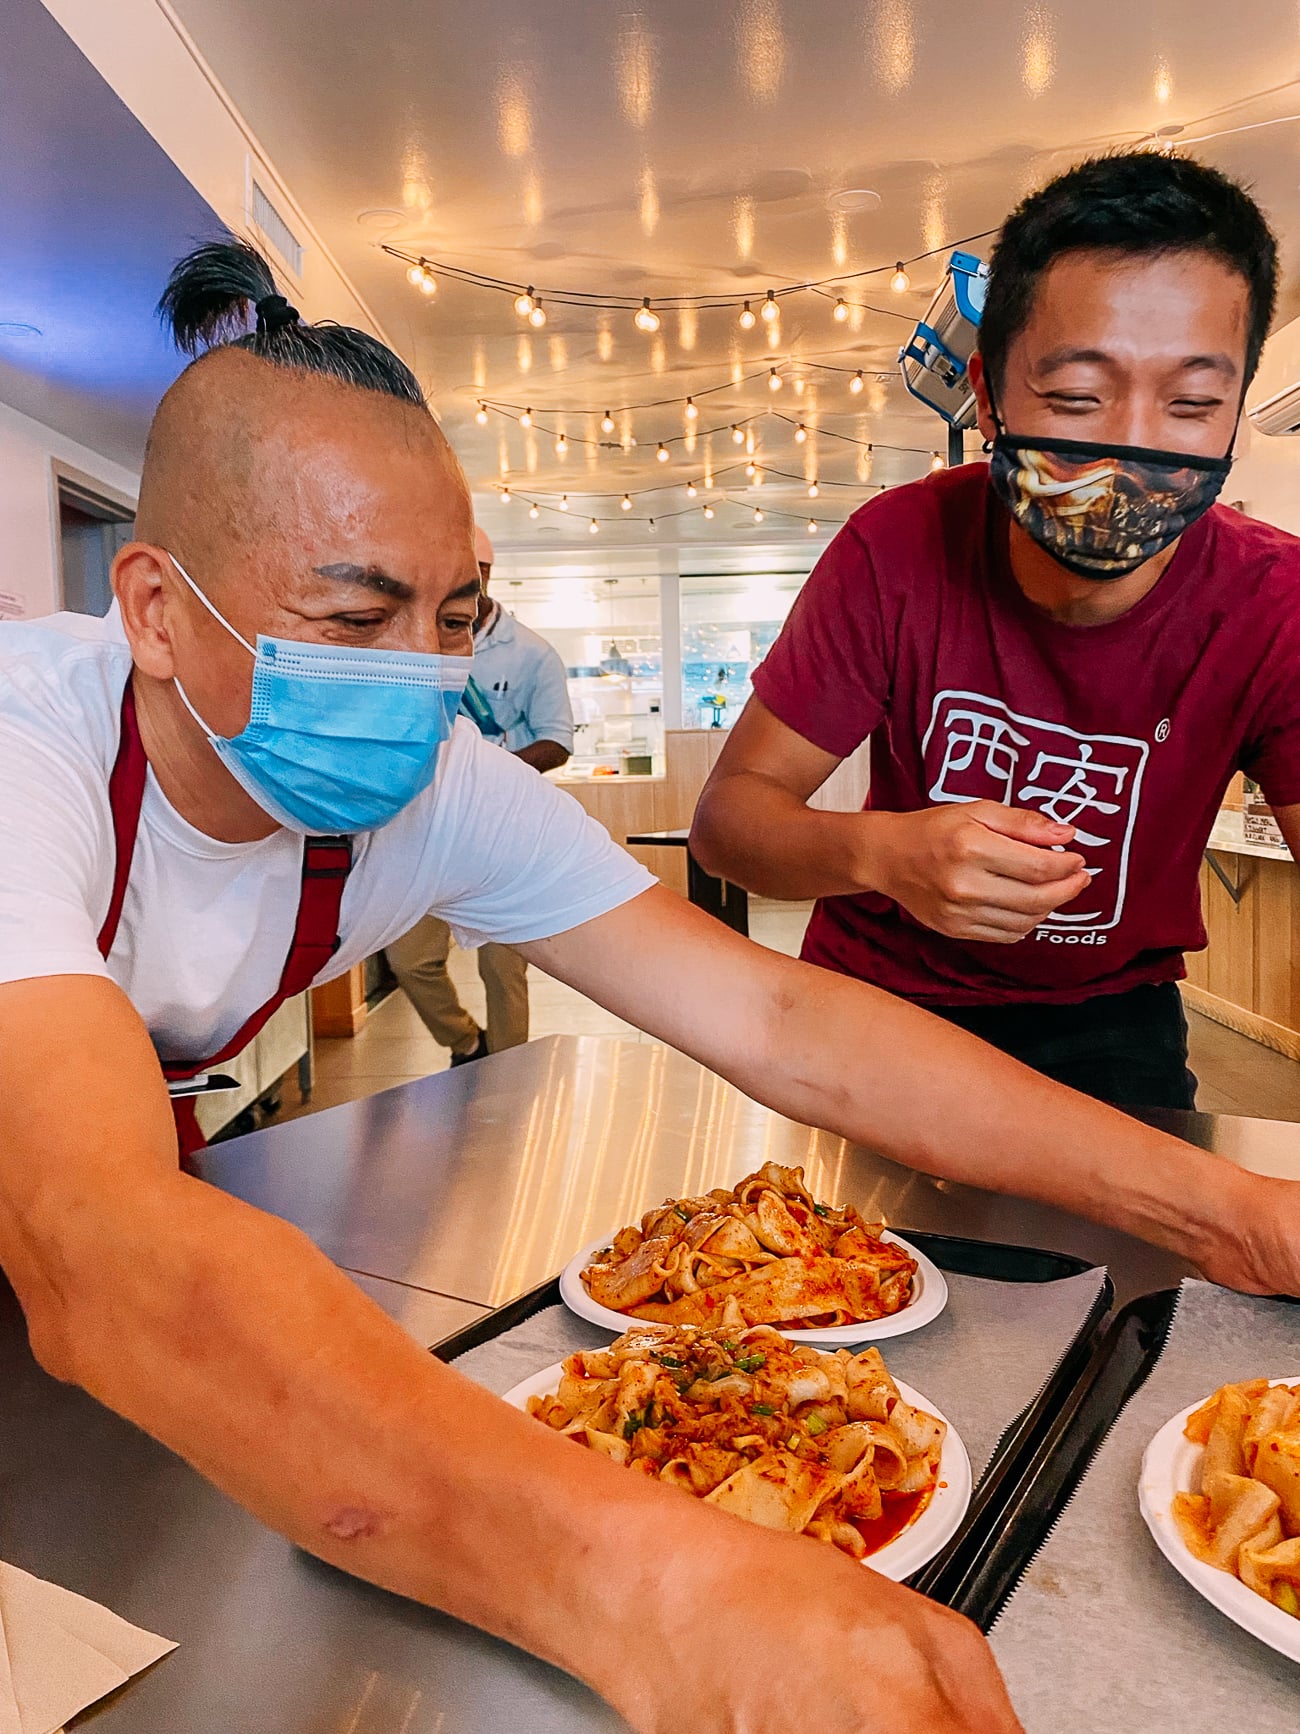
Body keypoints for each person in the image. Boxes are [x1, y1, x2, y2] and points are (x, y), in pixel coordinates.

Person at [3, 239, 1300, 1734]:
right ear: (156, 610)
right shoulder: (20, 745)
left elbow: (783, 1019)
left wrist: (1233, 1212)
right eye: (357, 621)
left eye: (453, 620)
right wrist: (663, 1589)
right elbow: (93, 1239)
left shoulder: (439, 790)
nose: (420, 678)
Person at [693, 150, 1300, 1113]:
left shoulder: (1277, 603)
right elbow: (729, 824)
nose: (1128, 447)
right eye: (1073, 398)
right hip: (878, 997)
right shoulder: (896, 549)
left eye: (1190, 405)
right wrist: (885, 855)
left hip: (1113, 1022)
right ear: (989, 395)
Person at [384, 525, 573, 1062]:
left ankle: (509, 1068)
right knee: (408, 958)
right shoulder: (408, 643)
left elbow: (556, 742)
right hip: (421, 823)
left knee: (503, 967)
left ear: (486, 574)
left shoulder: (533, 653)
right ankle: (465, 1043)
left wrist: (488, 778)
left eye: (468, 573)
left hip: (498, 829)